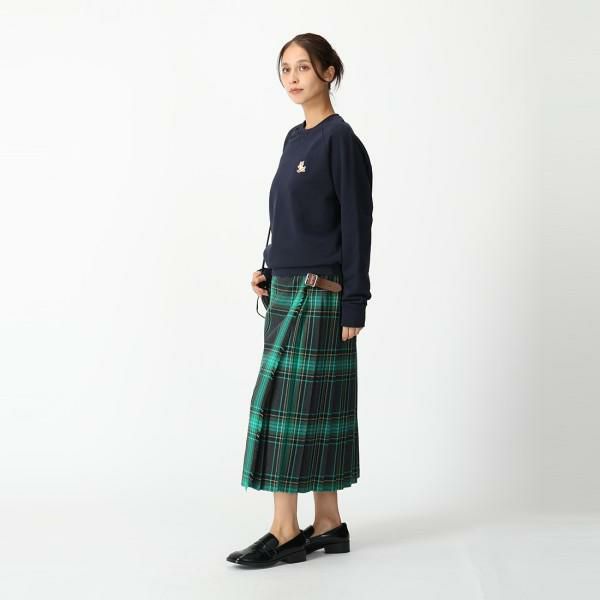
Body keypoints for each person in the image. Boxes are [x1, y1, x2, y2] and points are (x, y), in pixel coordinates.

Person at [227, 32, 374, 568]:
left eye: (304, 67)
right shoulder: (295, 138)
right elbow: (288, 218)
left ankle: (286, 531)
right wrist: (269, 269)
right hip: (288, 289)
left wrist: (355, 302)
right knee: (312, 409)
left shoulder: (341, 140)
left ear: (329, 72)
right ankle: (329, 523)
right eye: (285, 68)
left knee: (284, 407)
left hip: (321, 294)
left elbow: (357, 225)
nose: (292, 77)